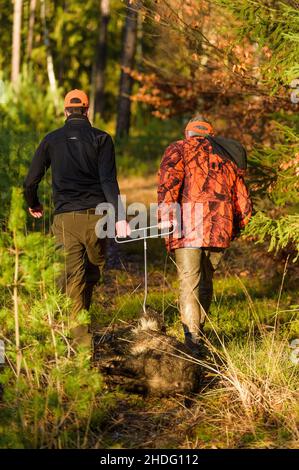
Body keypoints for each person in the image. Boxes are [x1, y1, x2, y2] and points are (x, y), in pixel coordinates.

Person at [24, 89, 130, 349]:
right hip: (98, 219)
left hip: (65, 219)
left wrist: (33, 203)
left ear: (65, 111)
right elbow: (108, 180)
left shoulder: (51, 140)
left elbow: (30, 181)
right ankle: (81, 340)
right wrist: (119, 217)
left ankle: (73, 334)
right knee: (89, 274)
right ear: (87, 110)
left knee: (72, 277)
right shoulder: (102, 139)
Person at [158, 116, 252, 355]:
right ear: (210, 134)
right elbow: (242, 199)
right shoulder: (226, 157)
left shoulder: (177, 148)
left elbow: (168, 186)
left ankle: (192, 343)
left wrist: (165, 221)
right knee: (206, 283)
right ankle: (200, 337)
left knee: (189, 284)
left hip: (186, 229)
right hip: (219, 228)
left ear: (188, 133)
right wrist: (236, 227)